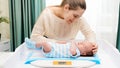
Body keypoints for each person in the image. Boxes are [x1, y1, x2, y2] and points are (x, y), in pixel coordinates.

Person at [30, 0, 98, 54]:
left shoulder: (78, 19)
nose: (76, 20)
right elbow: (34, 37)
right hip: (51, 50)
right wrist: (55, 42)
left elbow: (89, 33)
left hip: (70, 51)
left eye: (79, 17)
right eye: (75, 16)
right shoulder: (47, 15)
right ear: (66, 8)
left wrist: (92, 45)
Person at [25, 38, 95, 58]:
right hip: (53, 46)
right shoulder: (73, 45)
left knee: (44, 43)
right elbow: (64, 43)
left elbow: (72, 51)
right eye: (82, 42)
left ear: (84, 53)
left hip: (51, 52)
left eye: (83, 45)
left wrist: (73, 43)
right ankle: (38, 46)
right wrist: (58, 42)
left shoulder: (77, 53)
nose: (80, 43)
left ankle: (32, 45)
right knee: (46, 43)